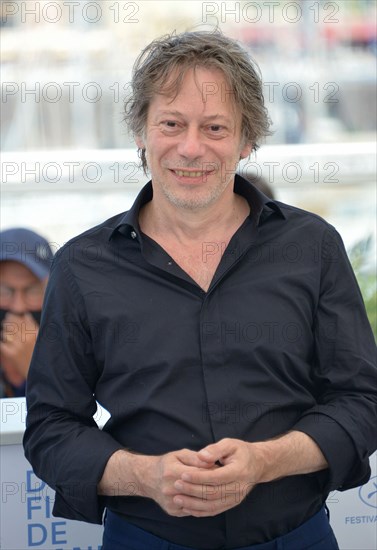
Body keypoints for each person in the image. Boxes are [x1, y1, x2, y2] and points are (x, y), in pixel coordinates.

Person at [23, 30, 376, 550]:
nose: (191, 148)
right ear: (141, 131)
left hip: (296, 537)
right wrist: (144, 476)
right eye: (171, 124)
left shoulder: (312, 246)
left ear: (246, 139)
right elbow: (51, 426)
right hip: (143, 540)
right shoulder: (81, 266)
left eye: (214, 127)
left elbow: (362, 400)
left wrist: (264, 462)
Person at [0, 227, 53, 398]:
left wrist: (36, 371)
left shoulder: (74, 348)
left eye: (32, 291)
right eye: (4, 291)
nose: (18, 307)